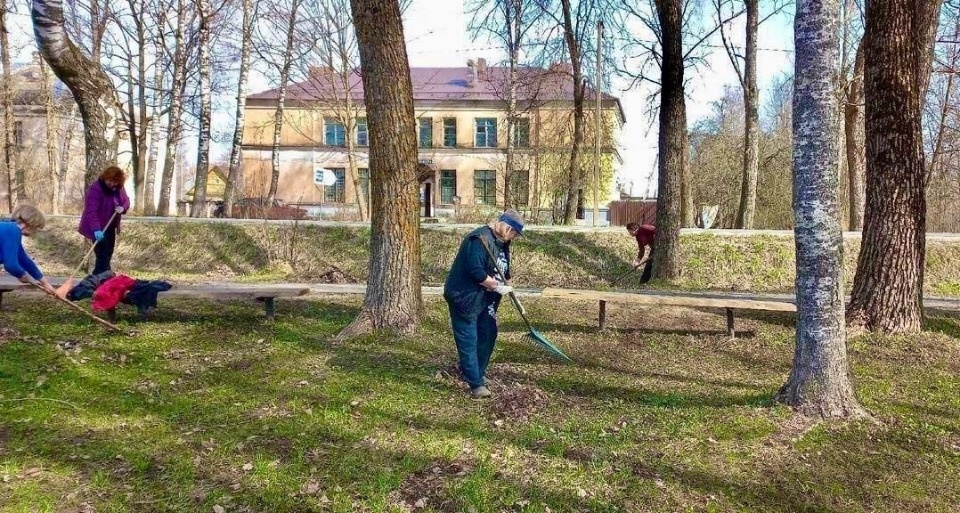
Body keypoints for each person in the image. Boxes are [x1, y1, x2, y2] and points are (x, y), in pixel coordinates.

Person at [444, 209, 524, 399]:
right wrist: (497, 286)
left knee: (489, 333)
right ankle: (476, 384)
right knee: (469, 339)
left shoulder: (503, 242)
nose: (513, 237)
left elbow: (505, 270)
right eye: (513, 232)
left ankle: (477, 372)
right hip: (464, 297)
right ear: (506, 226)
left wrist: (511, 291)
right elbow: (476, 272)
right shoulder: (478, 239)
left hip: (485, 298)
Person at [78, 166, 130, 275]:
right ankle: (105, 278)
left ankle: (98, 278)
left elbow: (126, 200)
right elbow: (91, 212)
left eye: (115, 182)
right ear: (105, 177)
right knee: (102, 255)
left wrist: (123, 208)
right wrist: (96, 230)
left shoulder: (119, 188)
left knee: (108, 253)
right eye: (109, 180)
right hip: (97, 227)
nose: (112, 184)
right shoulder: (96, 189)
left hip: (110, 225)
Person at [1, 205, 56, 295]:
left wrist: (45, 283)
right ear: (31, 224)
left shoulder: (9, 229)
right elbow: (11, 265)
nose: (35, 232)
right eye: (36, 228)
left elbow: (24, 260)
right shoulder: (12, 231)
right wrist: (22, 275)